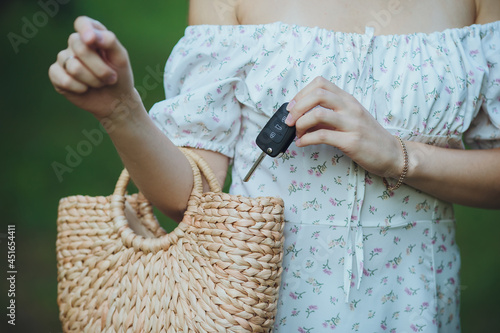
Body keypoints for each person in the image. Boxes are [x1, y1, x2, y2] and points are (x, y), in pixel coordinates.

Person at [49, 0, 500, 331]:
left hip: (411, 306)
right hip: (259, 303)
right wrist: (121, 111)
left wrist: (399, 154)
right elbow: (189, 199)